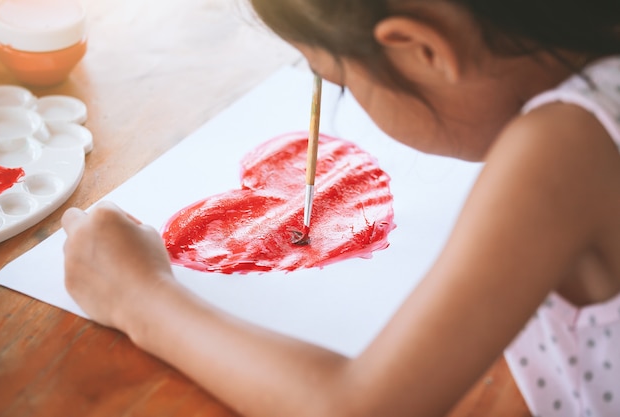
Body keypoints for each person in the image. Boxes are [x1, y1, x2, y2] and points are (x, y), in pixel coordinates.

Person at [60, 0, 620, 416]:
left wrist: (141, 296)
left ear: (423, 49)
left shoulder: (565, 147)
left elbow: (357, 408)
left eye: (336, 81)